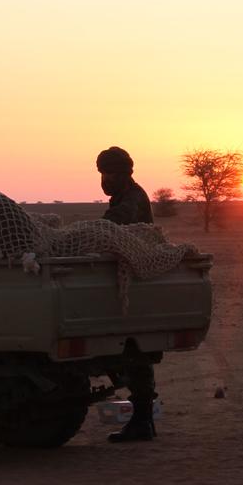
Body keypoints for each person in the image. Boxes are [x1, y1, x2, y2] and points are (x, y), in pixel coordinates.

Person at [96, 146, 158, 442]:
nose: (104, 179)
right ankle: (143, 421)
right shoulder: (126, 196)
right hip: (131, 281)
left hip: (133, 283)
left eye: (108, 173)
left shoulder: (130, 200)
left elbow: (111, 227)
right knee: (133, 356)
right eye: (102, 174)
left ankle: (143, 421)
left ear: (121, 173)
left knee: (134, 356)